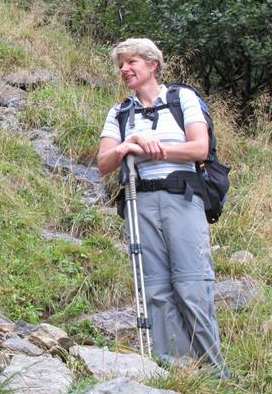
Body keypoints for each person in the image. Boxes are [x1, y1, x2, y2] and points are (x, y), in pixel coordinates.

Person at [97, 38, 228, 378]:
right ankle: (179, 373)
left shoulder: (181, 98)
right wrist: (130, 143)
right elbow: (104, 163)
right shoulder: (120, 112)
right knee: (155, 289)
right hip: (139, 201)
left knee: (191, 284)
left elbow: (200, 148)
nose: (124, 69)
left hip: (182, 196)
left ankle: (214, 374)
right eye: (121, 64)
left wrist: (154, 150)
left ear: (152, 65)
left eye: (132, 62)